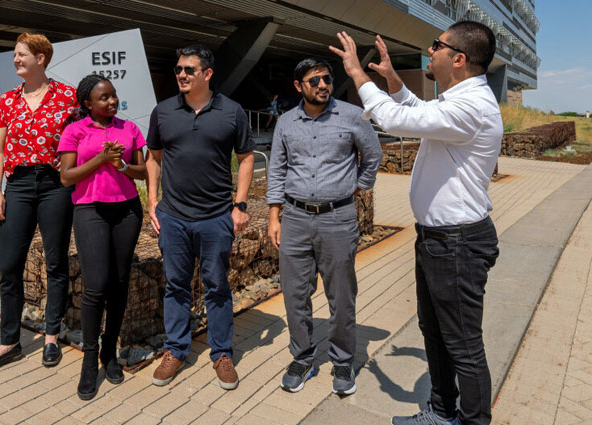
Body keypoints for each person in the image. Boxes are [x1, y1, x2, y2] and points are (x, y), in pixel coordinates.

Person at [331, 21, 502, 425]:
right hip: (439, 239)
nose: (430, 50)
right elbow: (420, 112)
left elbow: (392, 120)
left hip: (457, 242)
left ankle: (473, 421)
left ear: (458, 59)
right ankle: (442, 413)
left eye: (436, 45)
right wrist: (393, 80)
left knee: (462, 343)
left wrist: (358, 74)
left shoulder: (471, 106)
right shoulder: (458, 100)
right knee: (436, 332)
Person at [267, 57, 381, 395]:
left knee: (342, 295)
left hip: (338, 219)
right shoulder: (286, 123)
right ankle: (302, 357)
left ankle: (343, 361)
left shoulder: (351, 116)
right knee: (294, 293)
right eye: (314, 80)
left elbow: (372, 154)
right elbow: (276, 169)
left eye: (327, 79)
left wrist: (357, 186)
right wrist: (274, 216)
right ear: (298, 86)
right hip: (296, 218)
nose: (322, 85)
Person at [145, 44, 255, 390]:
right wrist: (152, 200)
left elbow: (247, 157)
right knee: (176, 286)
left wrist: (239, 205)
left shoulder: (232, 111)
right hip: (173, 218)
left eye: (189, 70)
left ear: (207, 74)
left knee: (217, 286)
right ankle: (176, 349)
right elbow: (154, 157)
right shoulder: (163, 112)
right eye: (178, 69)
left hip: (214, 218)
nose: (181, 75)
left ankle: (221, 352)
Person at [0, 33, 78, 373]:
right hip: (17, 185)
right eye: (15, 55)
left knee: (55, 263)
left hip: (55, 186)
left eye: (22, 54)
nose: (16, 60)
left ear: (41, 58)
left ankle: (51, 335)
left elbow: (82, 142)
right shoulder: (6, 101)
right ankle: (9, 343)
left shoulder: (68, 97)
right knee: (9, 266)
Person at [57, 74, 147, 400]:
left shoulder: (130, 129)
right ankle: (89, 360)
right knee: (95, 286)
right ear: (87, 104)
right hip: (90, 211)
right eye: (104, 98)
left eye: (113, 96)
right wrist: (100, 159)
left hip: (127, 212)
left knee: (120, 282)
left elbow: (143, 171)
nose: (111, 102)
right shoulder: (74, 130)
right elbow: (67, 178)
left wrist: (121, 164)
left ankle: (109, 353)